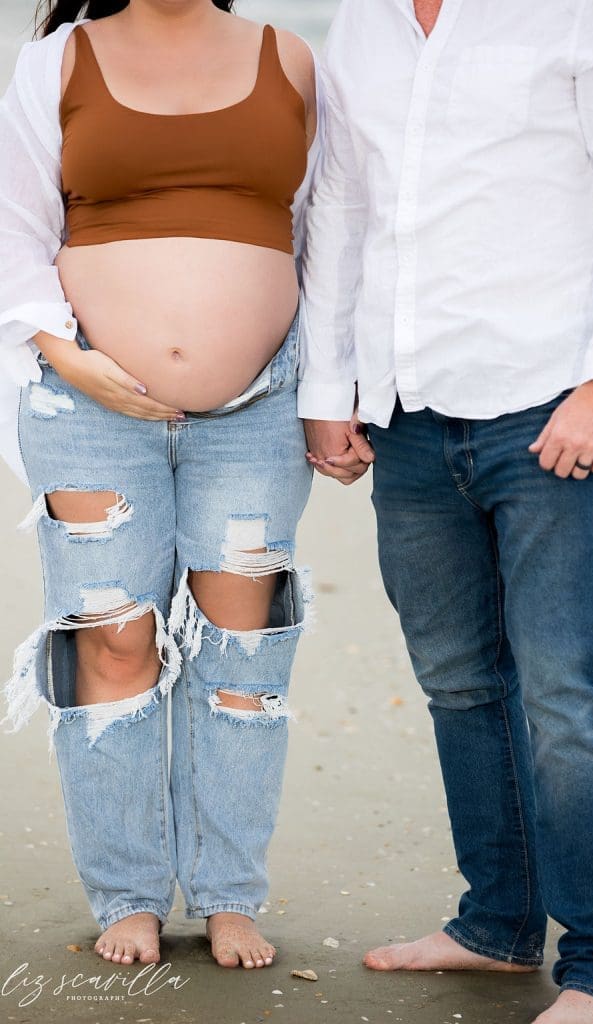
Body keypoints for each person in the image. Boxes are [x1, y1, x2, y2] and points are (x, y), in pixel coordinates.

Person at [300, 1, 593, 1021]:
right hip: (406, 416)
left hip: (545, 405)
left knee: (564, 694)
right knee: (459, 683)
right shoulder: (365, 23)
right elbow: (338, 206)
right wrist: (326, 386)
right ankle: (496, 925)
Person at [0, 0, 323, 972]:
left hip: (257, 408)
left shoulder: (291, 60)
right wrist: (69, 353)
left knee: (243, 660)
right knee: (110, 639)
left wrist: (337, 388)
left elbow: (326, 232)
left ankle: (228, 893)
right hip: (85, 403)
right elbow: (13, 230)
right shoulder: (57, 64)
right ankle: (129, 892)